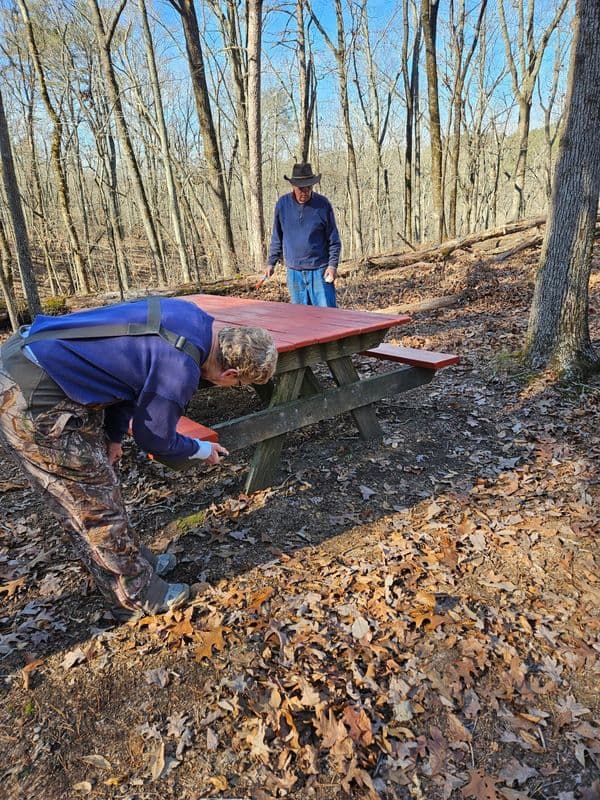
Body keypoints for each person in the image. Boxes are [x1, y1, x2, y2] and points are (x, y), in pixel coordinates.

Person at [0, 296, 277, 616]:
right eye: (240, 383)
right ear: (229, 374)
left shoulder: (193, 318)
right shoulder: (182, 367)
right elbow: (155, 439)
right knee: (90, 505)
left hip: (44, 362)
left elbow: (131, 379)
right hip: (31, 392)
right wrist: (201, 450)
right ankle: (136, 595)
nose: (234, 387)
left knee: (99, 486)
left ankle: (134, 561)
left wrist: (114, 436)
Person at [266, 162, 342, 307]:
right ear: (293, 186)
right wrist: (271, 262)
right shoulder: (282, 205)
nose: (305, 192)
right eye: (301, 188)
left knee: (328, 316)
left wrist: (332, 266)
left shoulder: (323, 205)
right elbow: (277, 236)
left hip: (320, 270)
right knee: (300, 318)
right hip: (294, 272)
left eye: (308, 187)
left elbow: (334, 240)